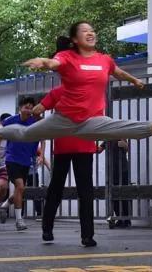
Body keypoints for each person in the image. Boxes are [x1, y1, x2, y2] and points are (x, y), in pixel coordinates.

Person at [0, 21, 152, 146]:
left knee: (119, 128)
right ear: (75, 39)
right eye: (85, 31)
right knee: (26, 134)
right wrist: (43, 61)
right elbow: (54, 63)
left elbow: (117, 71)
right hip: (65, 119)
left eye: (92, 30)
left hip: (92, 120)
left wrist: (134, 80)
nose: (90, 33)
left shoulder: (104, 60)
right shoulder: (67, 57)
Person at [35, 87, 99, 246]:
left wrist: (45, 122)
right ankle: (87, 236)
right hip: (84, 145)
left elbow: (38, 110)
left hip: (63, 145)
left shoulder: (59, 91)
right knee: (85, 192)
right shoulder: (90, 92)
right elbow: (99, 120)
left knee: (55, 189)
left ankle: (47, 230)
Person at [1, 97, 43, 231]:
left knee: (20, 189)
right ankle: (19, 220)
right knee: (20, 186)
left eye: (31, 108)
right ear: (20, 108)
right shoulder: (11, 120)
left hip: (26, 160)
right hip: (12, 159)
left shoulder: (36, 122)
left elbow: (43, 137)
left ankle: (5, 205)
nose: (29, 110)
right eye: (26, 107)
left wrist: (41, 155)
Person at [98, 139, 131, 228]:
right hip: (112, 171)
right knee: (114, 195)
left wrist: (124, 145)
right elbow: (99, 150)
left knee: (124, 194)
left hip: (123, 170)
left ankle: (126, 219)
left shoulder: (121, 137)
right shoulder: (107, 139)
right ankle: (119, 218)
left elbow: (127, 148)